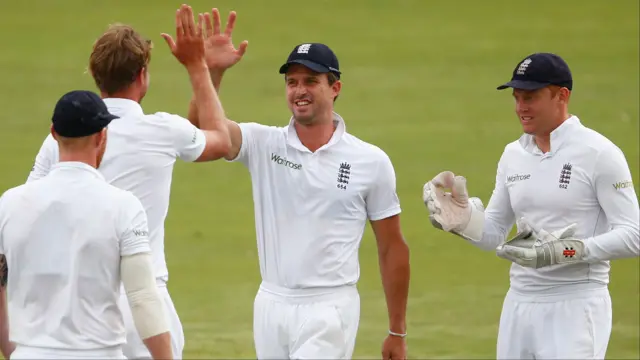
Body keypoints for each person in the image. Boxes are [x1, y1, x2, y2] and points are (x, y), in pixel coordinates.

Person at [184, 7, 411, 360]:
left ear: (335, 88)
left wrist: (397, 330)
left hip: (329, 307)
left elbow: (392, 247)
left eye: (310, 81)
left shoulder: (371, 161)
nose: (299, 90)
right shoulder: (264, 143)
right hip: (271, 304)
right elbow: (202, 135)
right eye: (292, 82)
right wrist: (210, 72)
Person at [24, 5, 231, 359]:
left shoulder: (59, 140)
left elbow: (31, 208)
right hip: (144, 302)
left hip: (76, 303)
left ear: (94, 74)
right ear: (142, 75)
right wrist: (200, 67)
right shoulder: (163, 130)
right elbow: (219, 139)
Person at [422, 52, 640, 359]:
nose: (521, 107)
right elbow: (495, 232)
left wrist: (567, 251)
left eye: (531, 97)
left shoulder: (599, 153)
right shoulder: (513, 154)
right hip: (519, 304)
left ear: (562, 96)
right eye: (516, 97)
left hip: (575, 305)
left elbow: (633, 235)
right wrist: (463, 220)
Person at [0, 90, 173, 360]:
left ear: (53, 133)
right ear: (102, 136)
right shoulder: (123, 206)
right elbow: (142, 298)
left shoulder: (9, 204)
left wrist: (13, 351)